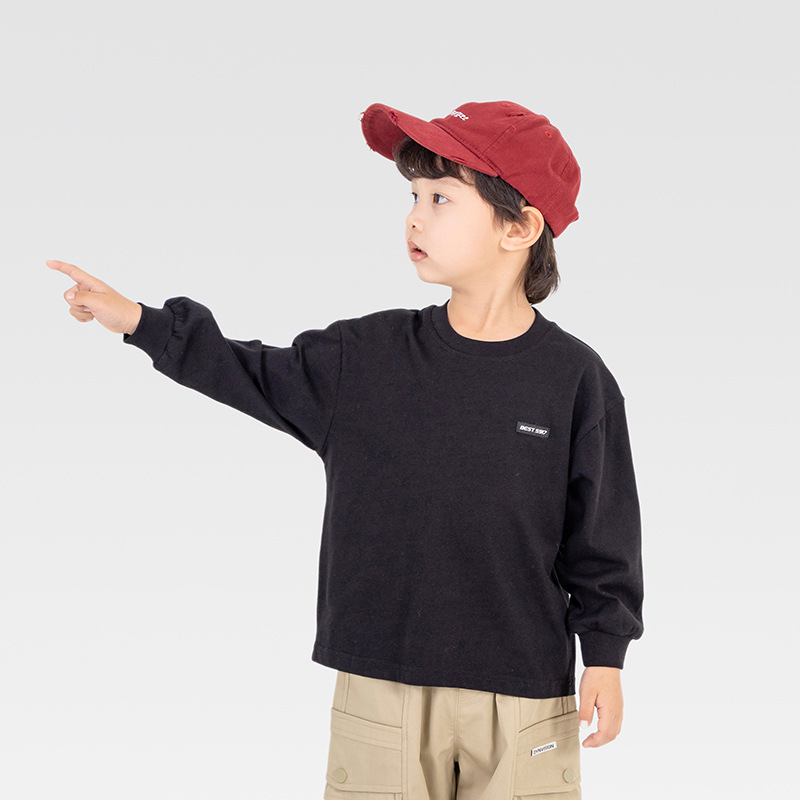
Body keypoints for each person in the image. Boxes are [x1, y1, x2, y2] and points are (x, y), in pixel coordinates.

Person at [47, 100, 644, 800]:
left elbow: (602, 538)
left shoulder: (575, 380)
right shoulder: (366, 358)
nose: (415, 217)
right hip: (380, 684)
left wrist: (605, 657)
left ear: (520, 227)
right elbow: (247, 371)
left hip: (524, 690)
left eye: (442, 199)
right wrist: (140, 323)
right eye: (413, 196)